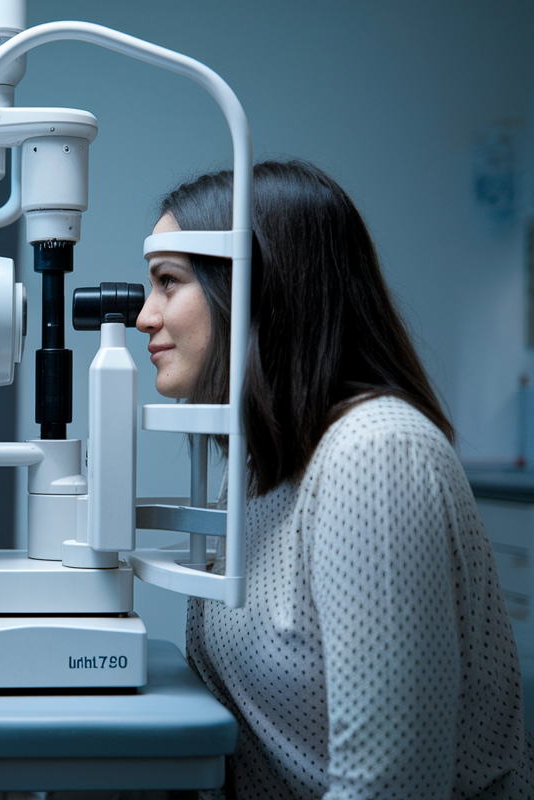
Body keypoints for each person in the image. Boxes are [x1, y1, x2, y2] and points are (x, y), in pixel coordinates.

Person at [136, 159, 532, 799]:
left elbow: (390, 788)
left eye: (167, 282)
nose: (144, 318)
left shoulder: (375, 456)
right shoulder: (262, 469)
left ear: (258, 287)